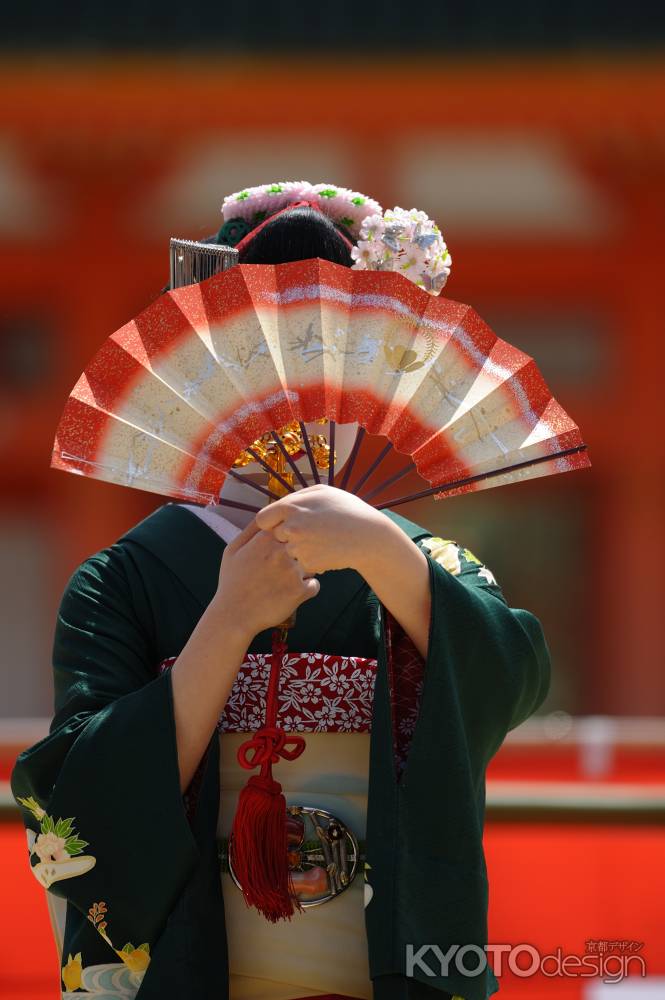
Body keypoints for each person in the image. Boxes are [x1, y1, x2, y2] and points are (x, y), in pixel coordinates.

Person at [11, 183, 551, 1000]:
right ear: (194, 374)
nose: (296, 390)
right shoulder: (123, 580)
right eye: (254, 356)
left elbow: (509, 677)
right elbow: (78, 798)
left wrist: (380, 549)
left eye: (335, 354)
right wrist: (226, 622)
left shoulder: (414, 561)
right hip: (197, 966)